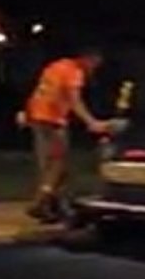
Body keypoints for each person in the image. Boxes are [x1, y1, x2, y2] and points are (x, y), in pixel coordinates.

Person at [19, 48, 111, 222]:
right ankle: (39, 203)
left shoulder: (56, 66)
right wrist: (91, 122)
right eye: (95, 63)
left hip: (37, 117)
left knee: (47, 165)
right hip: (53, 118)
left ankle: (51, 207)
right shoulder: (75, 72)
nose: (95, 68)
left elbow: (40, 90)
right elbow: (74, 100)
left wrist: (26, 112)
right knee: (57, 163)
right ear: (88, 58)